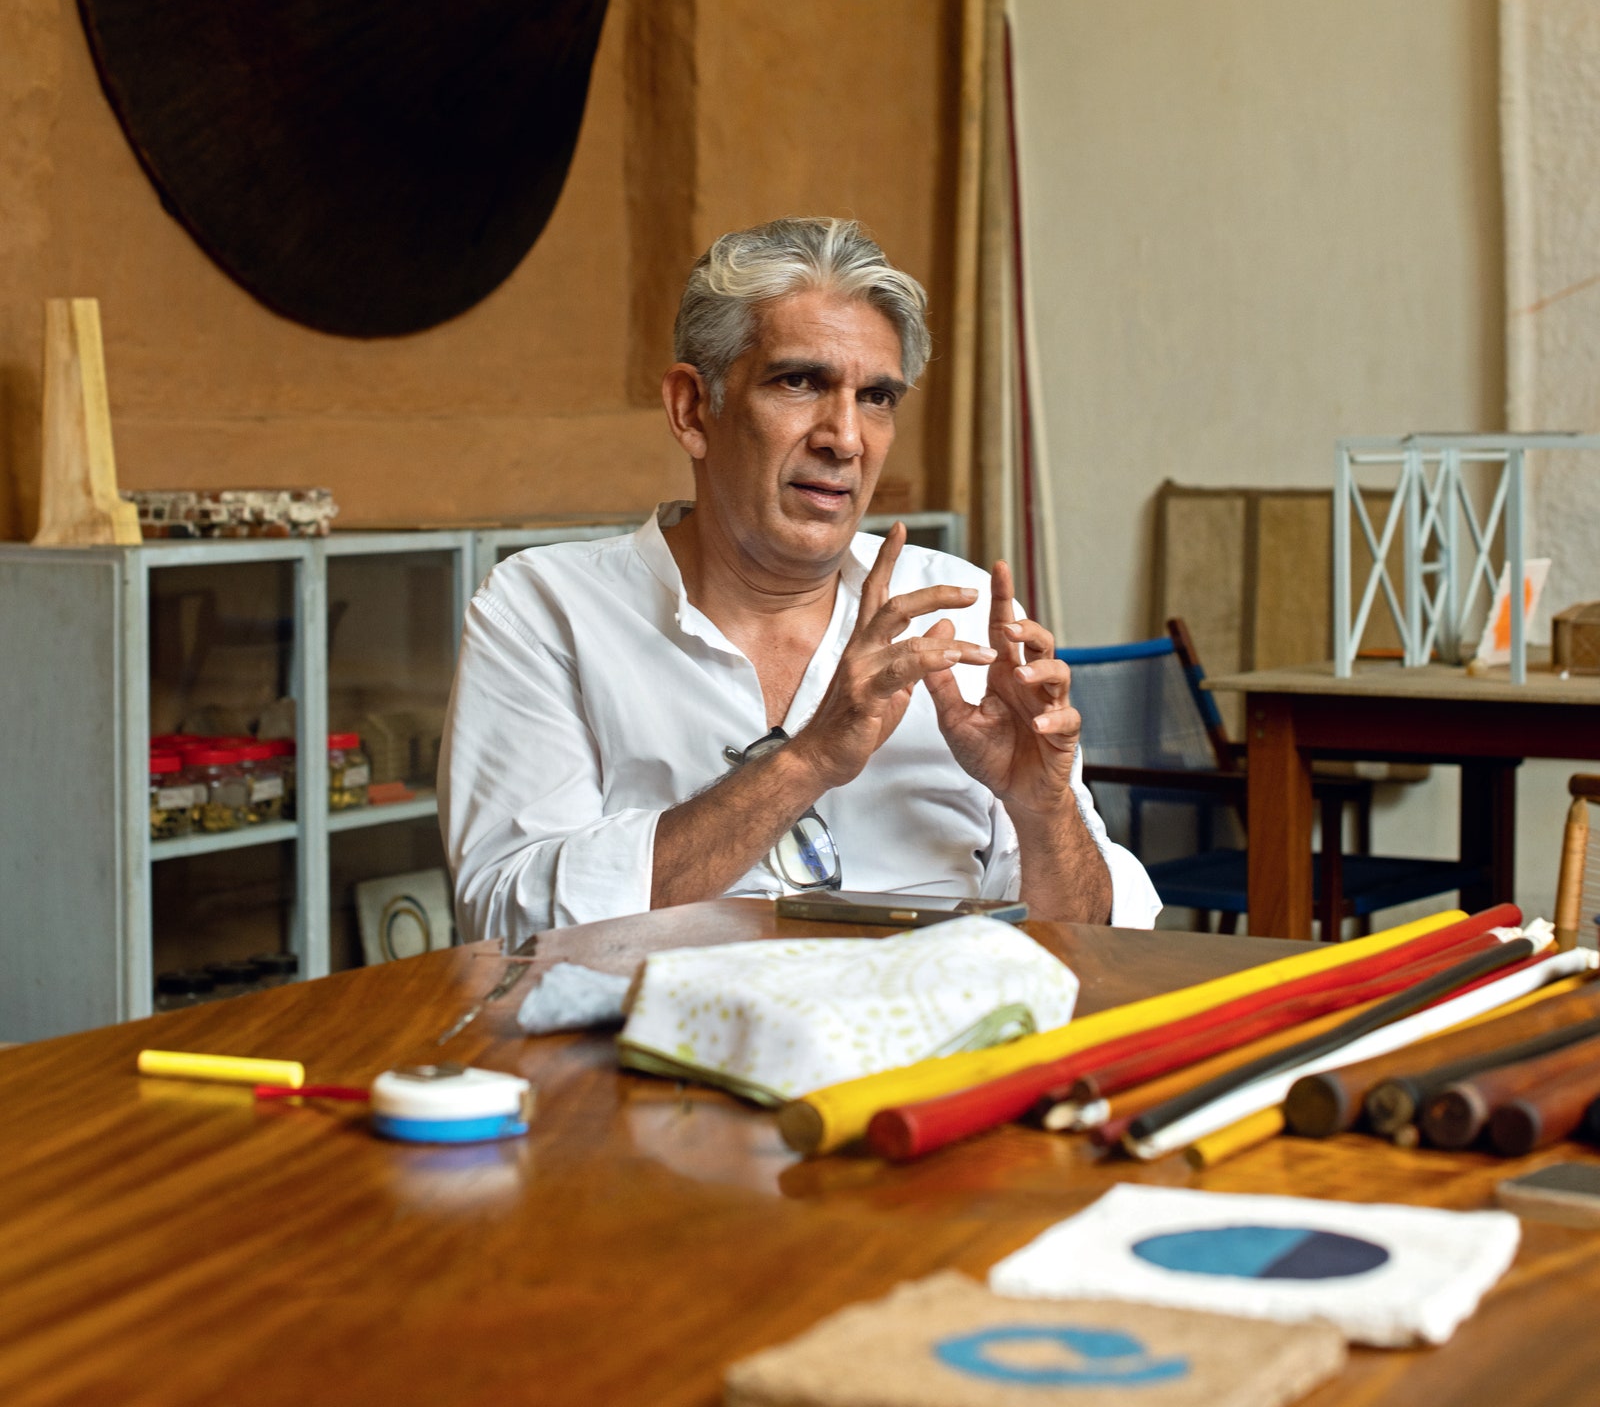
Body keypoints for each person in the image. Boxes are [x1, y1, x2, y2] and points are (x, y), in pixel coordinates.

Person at [439, 217, 1161, 944]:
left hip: (940, 1040)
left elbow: (1089, 942)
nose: (845, 438)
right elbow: (503, 921)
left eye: (876, 397)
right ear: (694, 409)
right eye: (799, 381)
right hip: (659, 1045)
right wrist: (807, 759)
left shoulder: (958, 612)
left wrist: (1044, 810)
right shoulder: (546, 610)